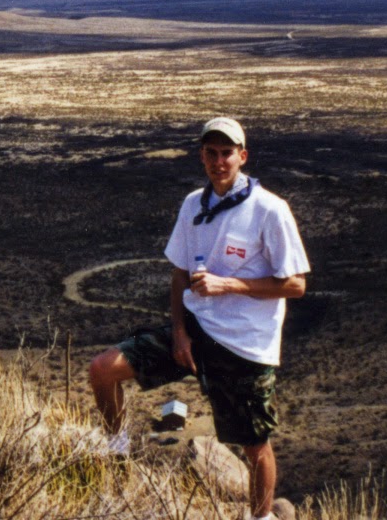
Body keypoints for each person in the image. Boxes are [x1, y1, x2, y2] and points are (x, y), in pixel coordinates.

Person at [88, 117, 310, 520]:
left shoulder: (269, 210)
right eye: (211, 152)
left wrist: (230, 286)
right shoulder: (194, 204)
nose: (219, 160)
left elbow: (295, 285)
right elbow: (178, 272)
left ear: (243, 157)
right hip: (195, 330)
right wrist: (178, 333)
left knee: (254, 443)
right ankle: (115, 460)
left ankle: (260, 517)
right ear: (201, 156)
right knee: (103, 370)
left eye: (227, 153)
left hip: (244, 344)